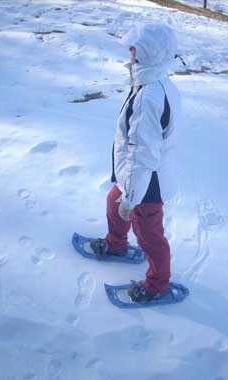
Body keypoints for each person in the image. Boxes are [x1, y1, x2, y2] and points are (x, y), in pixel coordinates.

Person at [91, 22, 181, 303]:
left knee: (149, 234)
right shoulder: (152, 84)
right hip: (132, 175)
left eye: (134, 50)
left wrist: (131, 197)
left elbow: (143, 154)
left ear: (147, 54)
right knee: (112, 203)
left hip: (145, 183)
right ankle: (116, 244)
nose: (129, 54)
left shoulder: (149, 98)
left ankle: (157, 285)